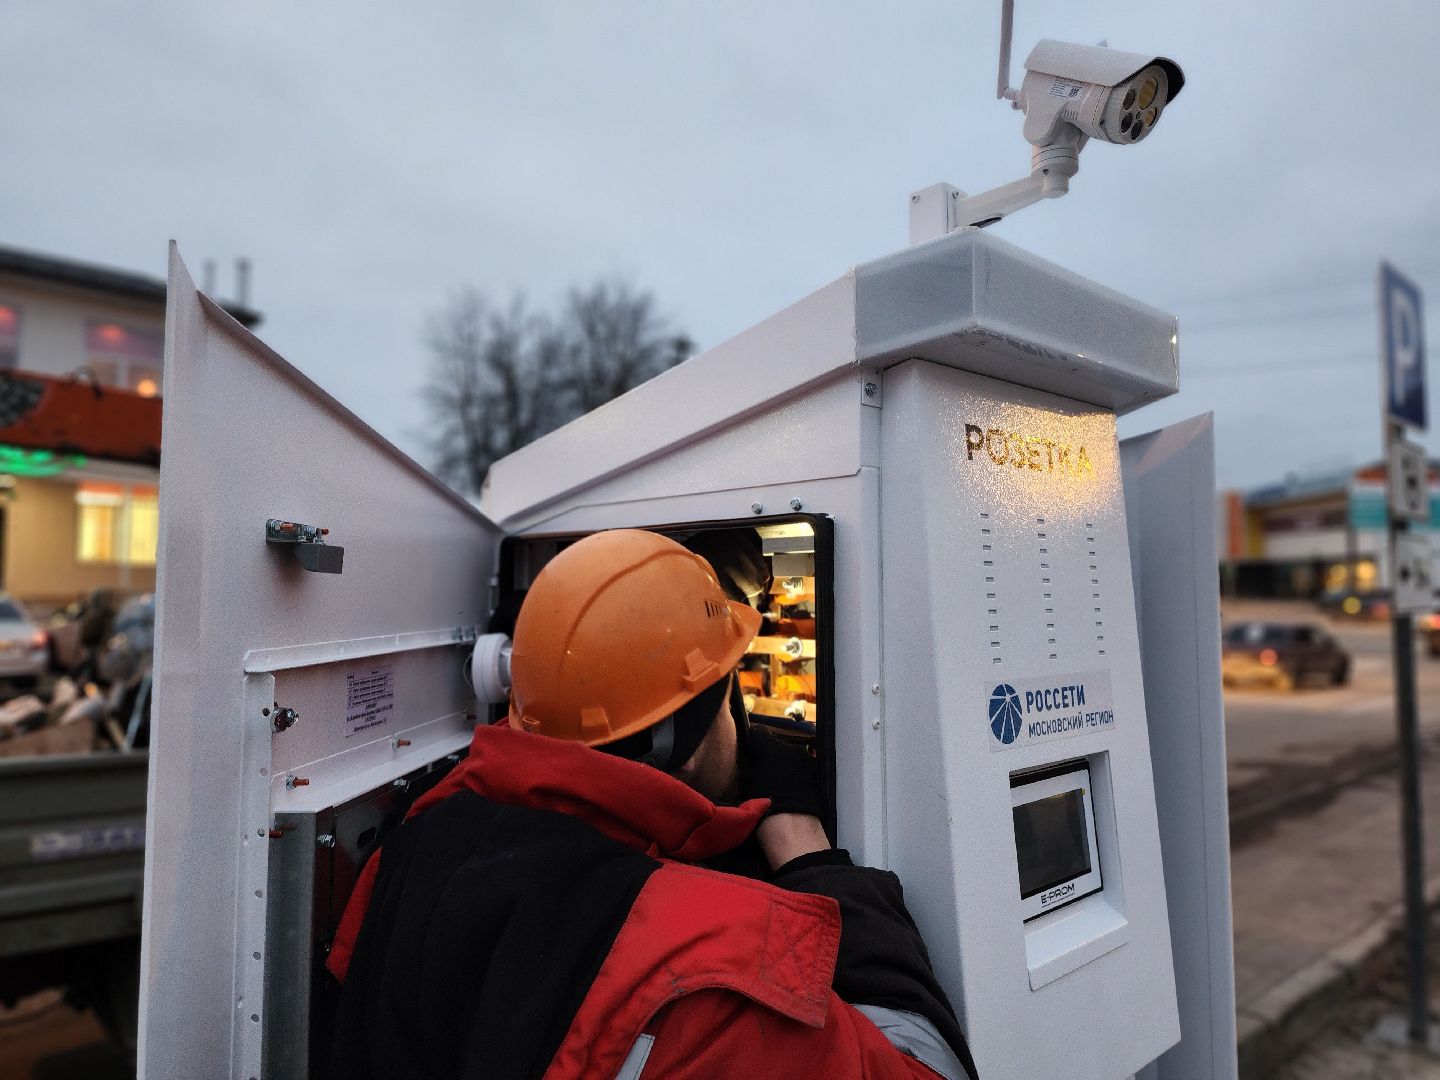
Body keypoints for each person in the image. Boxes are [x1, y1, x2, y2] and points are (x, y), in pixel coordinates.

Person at [325, 529, 976, 1080]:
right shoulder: (713, 968)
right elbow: (923, 1063)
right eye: (731, 694)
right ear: (685, 745)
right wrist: (811, 857)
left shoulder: (412, 845)